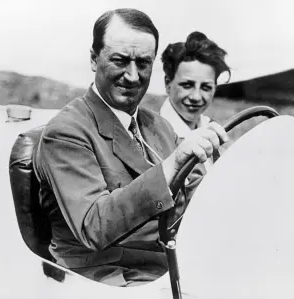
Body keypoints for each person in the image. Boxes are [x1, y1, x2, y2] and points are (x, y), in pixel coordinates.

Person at [33, 8, 228, 287]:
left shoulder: (158, 126)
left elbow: (202, 200)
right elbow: (94, 227)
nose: (134, 76)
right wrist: (172, 164)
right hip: (105, 278)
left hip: (167, 269)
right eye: (120, 61)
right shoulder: (66, 132)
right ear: (93, 59)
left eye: (144, 63)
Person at [158, 31, 231, 170]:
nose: (196, 97)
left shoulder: (211, 126)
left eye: (206, 87)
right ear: (168, 83)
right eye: (187, 85)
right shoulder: (154, 135)